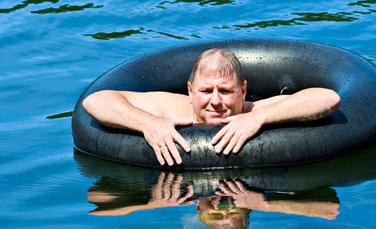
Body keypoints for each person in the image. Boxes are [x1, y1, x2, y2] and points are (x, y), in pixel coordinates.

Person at [83, 48, 340, 166]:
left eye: (226, 91)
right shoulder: (170, 107)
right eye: (206, 91)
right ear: (190, 91)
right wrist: (148, 123)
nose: (215, 101)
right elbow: (95, 101)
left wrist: (259, 118)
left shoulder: (253, 109)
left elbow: (327, 99)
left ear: (243, 91)